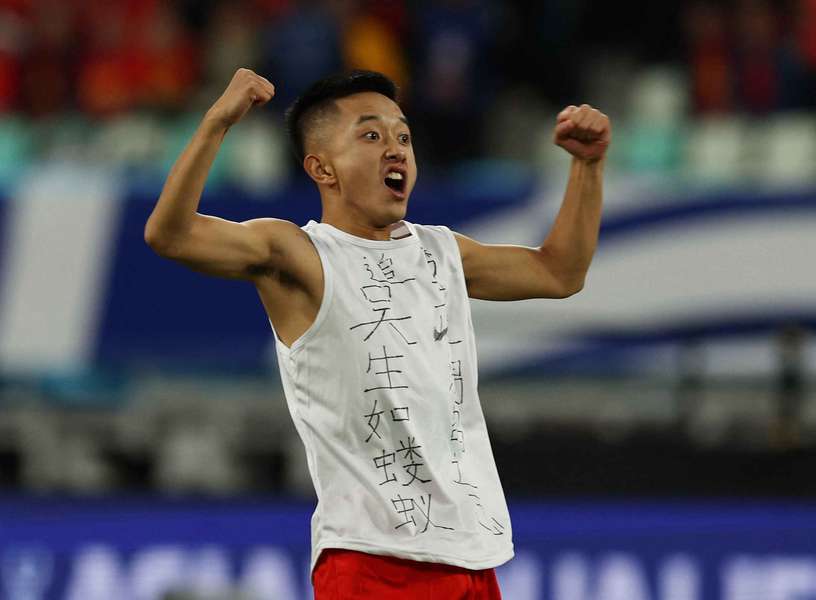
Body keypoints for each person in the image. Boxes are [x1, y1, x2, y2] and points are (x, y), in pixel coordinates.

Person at [145, 68, 610, 599]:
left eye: (403, 136)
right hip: (371, 562)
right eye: (371, 135)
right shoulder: (298, 254)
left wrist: (587, 165)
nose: (396, 149)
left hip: (471, 557)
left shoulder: (442, 252)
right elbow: (171, 234)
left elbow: (559, 273)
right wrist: (217, 122)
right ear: (322, 168)